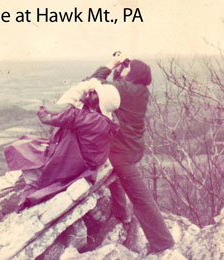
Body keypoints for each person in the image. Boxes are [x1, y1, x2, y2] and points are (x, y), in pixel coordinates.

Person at [85, 53, 176, 254]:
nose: (123, 68)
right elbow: (117, 87)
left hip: (122, 154)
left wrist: (111, 64)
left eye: (127, 66)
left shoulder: (126, 90)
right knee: (115, 174)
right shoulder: (140, 91)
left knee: (140, 198)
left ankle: (163, 242)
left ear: (133, 73)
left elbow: (92, 83)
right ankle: (121, 215)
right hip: (131, 149)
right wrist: (121, 68)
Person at [4, 81, 120, 210]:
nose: (90, 91)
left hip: (68, 164)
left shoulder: (87, 119)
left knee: (20, 147)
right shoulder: (101, 119)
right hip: (79, 163)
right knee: (30, 141)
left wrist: (80, 89)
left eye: (94, 93)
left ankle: (36, 184)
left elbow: (47, 115)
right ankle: (37, 180)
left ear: (97, 100)